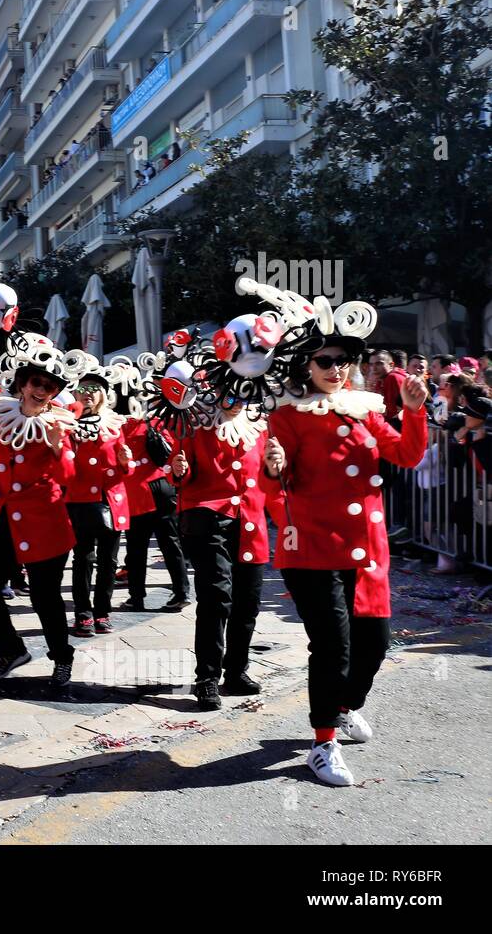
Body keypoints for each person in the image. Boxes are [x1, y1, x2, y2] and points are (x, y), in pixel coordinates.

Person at [264, 333, 428, 786]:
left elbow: (408, 454)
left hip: (367, 548)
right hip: (312, 548)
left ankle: (342, 705)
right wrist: (273, 466)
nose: (335, 368)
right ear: (307, 367)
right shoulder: (287, 417)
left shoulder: (366, 409)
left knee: (375, 643)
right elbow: (272, 487)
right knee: (333, 647)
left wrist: (414, 410)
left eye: (343, 360)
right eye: (324, 361)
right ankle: (323, 743)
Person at [0, 332, 81, 687]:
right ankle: (10, 649)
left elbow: (68, 478)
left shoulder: (59, 423)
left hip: (44, 522)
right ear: (21, 383)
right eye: (36, 382)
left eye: (50, 385)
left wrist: (58, 446)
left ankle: (62, 658)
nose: (42, 390)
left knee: (45, 597)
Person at [171, 396, 272, 709]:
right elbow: (180, 474)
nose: (236, 403)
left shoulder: (260, 425)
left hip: (251, 521)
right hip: (208, 519)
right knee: (216, 598)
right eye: (229, 396)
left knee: (248, 600)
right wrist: (178, 469)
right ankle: (207, 678)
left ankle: (237, 671)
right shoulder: (194, 423)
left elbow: (268, 477)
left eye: (244, 396)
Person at [64, 357, 133, 636]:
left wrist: (126, 462)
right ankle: (83, 614)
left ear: (104, 395)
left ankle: (103, 612)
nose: (89, 393)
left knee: (109, 562)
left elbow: (124, 469)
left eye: (94, 389)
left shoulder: (115, 425)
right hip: (80, 502)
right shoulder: (68, 425)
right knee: (83, 559)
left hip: (112, 502)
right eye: (83, 388)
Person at [120, 412, 189, 613]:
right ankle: (181, 592)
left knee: (136, 548)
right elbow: (171, 449)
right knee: (171, 544)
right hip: (162, 485)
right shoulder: (154, 421)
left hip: (137, 490)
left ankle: (136, 596)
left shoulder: (117, 427)